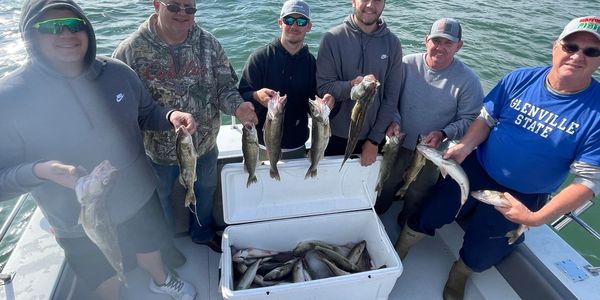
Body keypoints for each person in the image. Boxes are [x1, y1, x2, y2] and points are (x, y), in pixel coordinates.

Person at [0, 1, 198, 299]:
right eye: (51, 27)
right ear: (30, 35)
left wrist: (170, 117)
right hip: (76, 218)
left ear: (87, 29)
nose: (67, 33)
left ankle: (161, 279)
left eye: (75, 25)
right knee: (104, 278)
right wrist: (41, 171)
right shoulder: (10, 97)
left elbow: (147, 112)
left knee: (150, 248)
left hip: (138, 196)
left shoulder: (117, 72)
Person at [396, 16, 600, 300]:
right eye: (571, 46)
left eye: (591, 51)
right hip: (477, 167)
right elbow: (485, 119)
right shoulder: (520, 78)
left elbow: (589, 181)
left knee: (483, 252)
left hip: (524, 194)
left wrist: (536, 217)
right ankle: (404, 244)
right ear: (556, 47)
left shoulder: (597, 111)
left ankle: (461, 273)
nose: (578, 55)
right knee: (431, 210)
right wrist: (466, 145)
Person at [112, 0, 258, 252]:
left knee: (206, 189)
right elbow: (120, 104)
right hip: (157, 154)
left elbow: (224, 87)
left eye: (189, 9)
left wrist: (238, 107)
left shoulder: (209, 44)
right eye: (174, 7)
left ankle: (202, 233)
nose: (183, 14)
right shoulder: (130, 50)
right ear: (157, 5)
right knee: (160, 200)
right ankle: (163, 247)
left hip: (204, 146)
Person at [375, 18, 483, 227]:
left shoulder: (469, 81)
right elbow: (391, 98)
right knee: (387, 181)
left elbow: (469, 120)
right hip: (398, 143)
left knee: (419, 191)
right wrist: (395, 121)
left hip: (434, 152)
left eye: (448, 43)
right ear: (426, 40)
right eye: (436, 40)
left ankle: (406, 223)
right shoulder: (406, 64)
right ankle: (376, 213)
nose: (440, 48)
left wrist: (444, 133)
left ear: (458, 46)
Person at [238, 0, 334, 160]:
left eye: (301, 21)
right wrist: (255, 95)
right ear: (280, 23)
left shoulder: (312, 63)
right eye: (289, 20)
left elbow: (313, 105)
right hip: (261, 146)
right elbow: (241, 96)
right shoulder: (259, 58)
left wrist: (325, 103)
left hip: (296, 146)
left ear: (309, 27)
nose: (294, 26)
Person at [316, 0, 403, 166]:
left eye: (377, 0)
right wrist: (351, 86)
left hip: (372, 138)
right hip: (334, 135)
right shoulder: (332, 39)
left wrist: (374, 140)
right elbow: (324, 87)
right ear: (353, 2)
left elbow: (391, 97)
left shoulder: (393, 44)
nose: (370, 5)